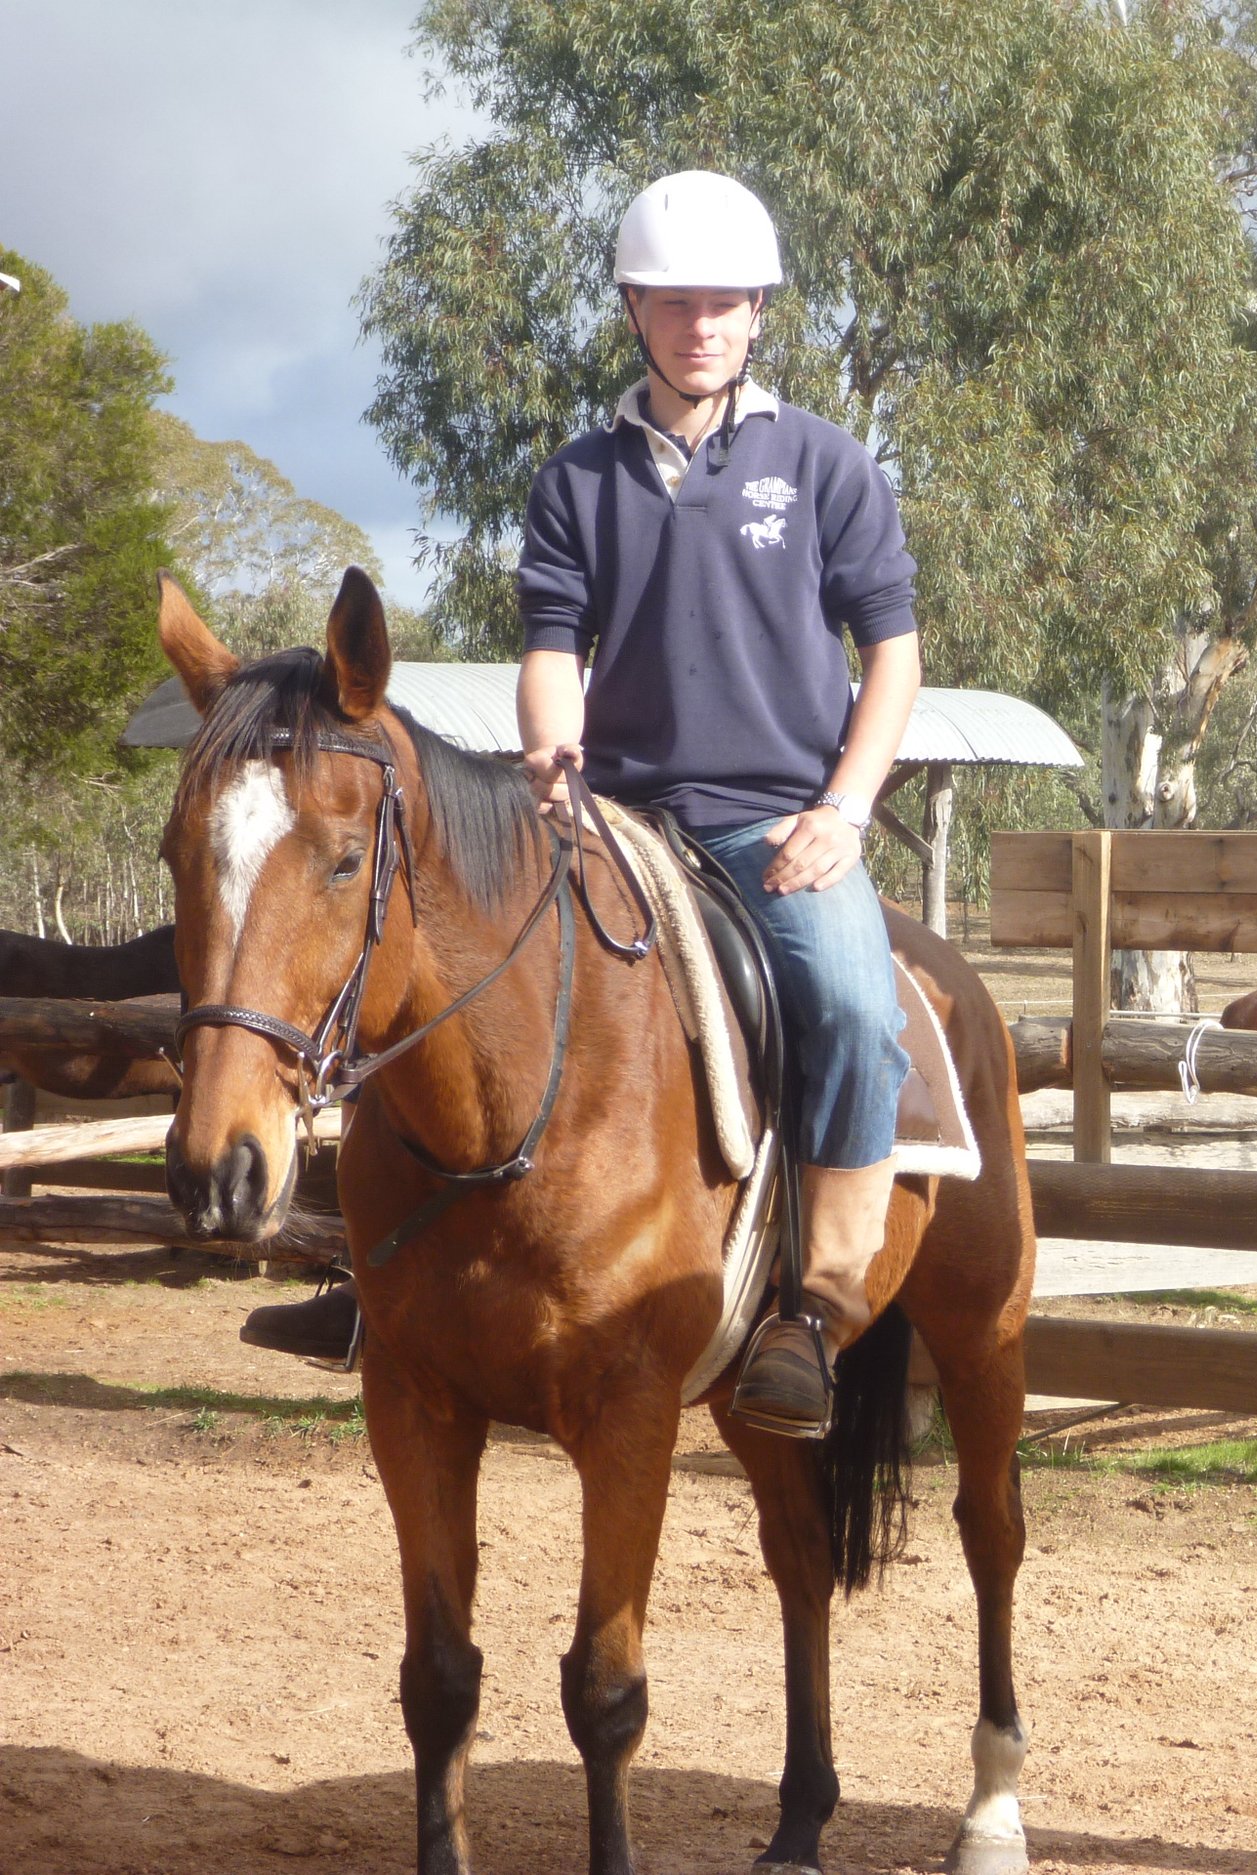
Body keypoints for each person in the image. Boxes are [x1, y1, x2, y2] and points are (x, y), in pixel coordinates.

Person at [244, 172, 917, 1441]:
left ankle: (814, 1304)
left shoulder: (824, 465)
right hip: (620, 813)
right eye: (674, 304)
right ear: (634, 311)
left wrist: (848, 806)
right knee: (429, 965)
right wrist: (551, 760)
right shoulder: (580, 476)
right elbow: (555, 644)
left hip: (780, 822)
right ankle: (366, 1274)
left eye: (723, 303)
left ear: (759, 311)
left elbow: (893, 653)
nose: (699, 325)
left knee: (849, 1002)